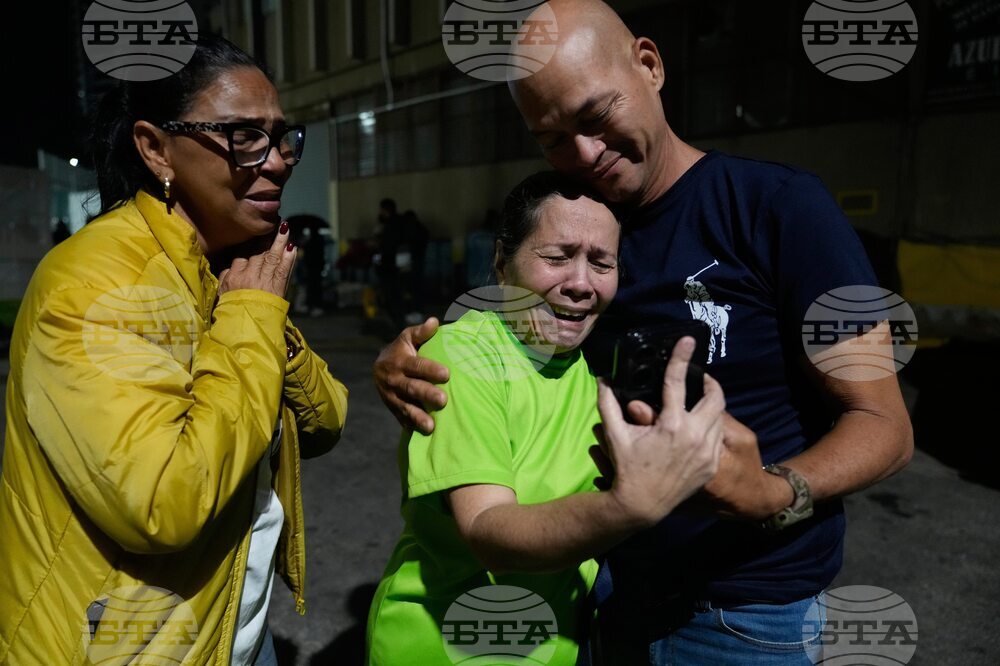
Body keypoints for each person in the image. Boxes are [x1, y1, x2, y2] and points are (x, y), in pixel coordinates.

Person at [373, 1, 913, 663]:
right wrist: (406, 358)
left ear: (650, 66)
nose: (584, 153)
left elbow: (883, 423)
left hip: (741, 615)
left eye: (595, 117)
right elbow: (506, 340)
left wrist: (775, 490)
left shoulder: (779, 208)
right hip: (604, 600)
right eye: (551, 137)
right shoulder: (587, 227)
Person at [0, 35, 349, 665]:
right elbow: (164, 502)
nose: (276, 162)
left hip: (232, 629)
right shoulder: (95, 283)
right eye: (244, 136)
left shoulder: (232, 269)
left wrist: (259, 315)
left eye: (281, 135)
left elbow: (325, 421)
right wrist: (252, 316)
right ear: (156, 148)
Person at [366, 171, 726, 665]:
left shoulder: (590, 369)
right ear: (501, 263)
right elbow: (490, 529)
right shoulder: (464, 352)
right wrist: (629, 506)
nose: (580, 284)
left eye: (602, 263)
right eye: (557, 258)